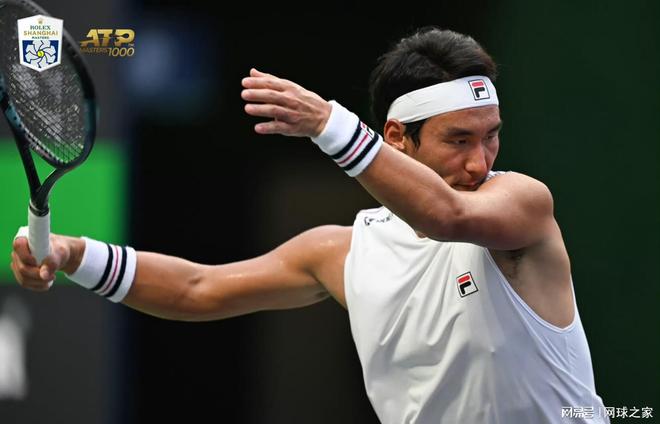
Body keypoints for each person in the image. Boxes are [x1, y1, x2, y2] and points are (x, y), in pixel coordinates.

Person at [10, 27, 608, 423]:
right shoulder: (341, 252)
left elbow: (447, 216)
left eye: (490, 136)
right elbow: (198, 288)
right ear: (397, 138)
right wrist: (74, 254)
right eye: (459, 140)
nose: (481, 162)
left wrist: (328, 125)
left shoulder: (522, 203)